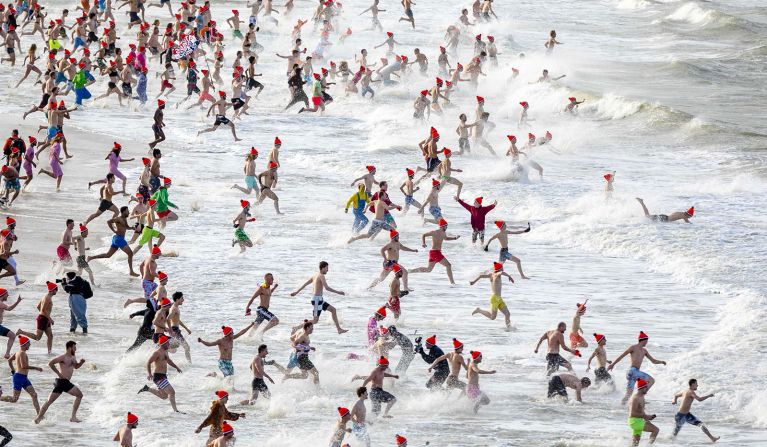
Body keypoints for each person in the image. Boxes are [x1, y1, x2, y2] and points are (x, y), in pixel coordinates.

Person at [34, 340, 86, 423]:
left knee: (49, 401)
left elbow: (76, 367)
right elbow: (51, 363)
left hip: (63, 383)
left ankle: (38, 418)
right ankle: (73, 417)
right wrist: (58, 373)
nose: (75, 349)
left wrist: (81, 363)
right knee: (79, 395)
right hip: (62, 382)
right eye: (74, 347)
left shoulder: (73, 357)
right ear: (69, 348)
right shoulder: (63, 357)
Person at [608, 331, 667, 404]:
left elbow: (653, 361)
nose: (647, 343)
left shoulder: (644, 351)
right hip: (633, 371)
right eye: (646, 341)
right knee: (651, 381)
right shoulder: (633, 347)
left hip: (632, 373)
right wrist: (612, 364)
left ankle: (621, 407)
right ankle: (640, 397)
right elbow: (622, 356)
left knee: (628, 394)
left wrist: (661, 362)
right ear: (643, 340)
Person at [290, 261, 348, 334]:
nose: (328, 270)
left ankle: (339, 329)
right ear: (322, 268)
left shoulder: (315, 275)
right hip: (317, 300)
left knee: (333, 310)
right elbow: (326, 288)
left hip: (319, 300)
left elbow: (305, 284)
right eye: (327, 268)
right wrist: (338, 292)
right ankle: (296, 328)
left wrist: (296, 292)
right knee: (315, 321)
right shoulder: (321, 276)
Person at [86, 206, 140, 277]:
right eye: (127, 211)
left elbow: (126, 227)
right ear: (123, 212)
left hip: (117, 239)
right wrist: (114, 230)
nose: (129, 212)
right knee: (130, 254)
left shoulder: (124, 219)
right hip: (119, 239)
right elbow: (108, 221)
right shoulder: (118, 219)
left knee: (108, 255)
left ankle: (91, 257)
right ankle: (131, 271)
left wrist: (132, 228)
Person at [137, 335, 182, 413]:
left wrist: (177, 367)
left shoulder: (165, 351)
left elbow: (169, 361)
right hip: (158, 376)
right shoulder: (157, 353)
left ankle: (147, 388)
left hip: (163, 376)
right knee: (172, 392)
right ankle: (176, 411)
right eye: (167, 343)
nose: (169, 344)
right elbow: (148, 362)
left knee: (164, 396)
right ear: (163, 344)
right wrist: (149, 374)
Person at [409, 218, 459, 284]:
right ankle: (452, 283)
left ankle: (410, 271)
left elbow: (446, 238)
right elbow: (424, 235)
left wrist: (455, 238)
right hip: (435, 252)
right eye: (446, 226)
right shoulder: (434, 232)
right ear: (442, 226)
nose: (446, 227)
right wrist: (423, 243)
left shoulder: (443, 233)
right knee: (448, 265)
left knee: (428, 269)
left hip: (434, 253)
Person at [1, 335, 42, 413]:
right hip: (19, 378)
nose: (29, 345)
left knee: (34, 395)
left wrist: (13, 370)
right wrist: (36, 368)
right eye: (28, 343)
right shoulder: (22, 353)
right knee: (14, 399)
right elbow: (24, 366)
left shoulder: (17, 352)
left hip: (23, 378)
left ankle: (39, 415)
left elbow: (9, 360)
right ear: (24, 344)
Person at [469, 262, 514, 330]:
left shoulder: (491, 275)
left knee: (507, 314)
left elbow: (481, 276)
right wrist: (509, 276)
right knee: (492, 317)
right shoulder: (497, 274)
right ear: (500, 269)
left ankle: (509, 328)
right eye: (502, 267)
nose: (503, 269)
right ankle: (479, 310)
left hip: (499, 299)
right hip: (495, 299)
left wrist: (473, 282)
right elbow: (501, 272)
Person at [17, 281, 59, 354]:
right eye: (56, 290)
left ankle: (49, 352)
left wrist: (47, 317)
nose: (56, 292)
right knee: (37, 338)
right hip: (42, 319)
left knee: (50, 336)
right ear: (52, 290)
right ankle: (21, 331)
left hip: (45, 318)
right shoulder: (47, 298)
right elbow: (42, 309)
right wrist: (50, 319)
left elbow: (38, 307)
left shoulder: (45, 297)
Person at [628, 379, 659, 446]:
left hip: (638, 421)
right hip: (634, 421)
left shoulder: (642, 397)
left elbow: (642, 412)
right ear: (642, 388)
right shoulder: (635, 398)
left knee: (635, 444)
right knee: (655, 430)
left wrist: (648, 419)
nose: (647, 389)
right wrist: (646, 416)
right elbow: (632, 414)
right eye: (646, 387)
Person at [167, 291, 192, 363]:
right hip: (175, 330)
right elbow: (168, 319)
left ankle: (163, 347)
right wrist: (171, 330)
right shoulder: (174, 308)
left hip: (176, 329)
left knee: (176, 347)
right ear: (177, 299)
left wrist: (186, 329)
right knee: (186, 347)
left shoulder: (175, 308)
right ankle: (190, 364)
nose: (183, 300)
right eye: (182, 298)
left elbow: (178, 320)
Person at [0, 288, 21, 358]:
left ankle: (7, 354)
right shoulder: (0, 303)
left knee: (12, 335)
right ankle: (7, 354)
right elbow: (9, 308)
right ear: (2, 295)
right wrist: (18, 301)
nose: (8, 295)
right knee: (12, 335)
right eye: (7, 294)